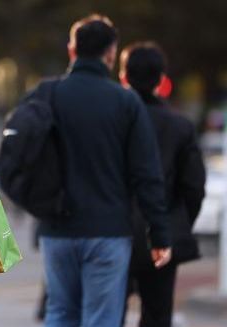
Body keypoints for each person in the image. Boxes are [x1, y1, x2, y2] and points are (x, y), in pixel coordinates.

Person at [35, 15, 172, 327]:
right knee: (101, 319)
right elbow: (146, 174)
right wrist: (159, 233)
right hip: (107, 230)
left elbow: (18, 157)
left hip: (56, 228)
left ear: (72, 51)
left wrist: (36, 206)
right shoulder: (125, 102)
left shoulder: (46, 95)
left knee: (60, 312)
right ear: (111, 54)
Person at [119, 42, 206, 327]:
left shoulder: (112, 119)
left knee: (107, 312)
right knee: (157, 315)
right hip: (162, 232)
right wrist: (179, 222)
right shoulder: (179, 126)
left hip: (112, 231)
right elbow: (193, 186)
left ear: (124, 75)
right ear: (161, 78)